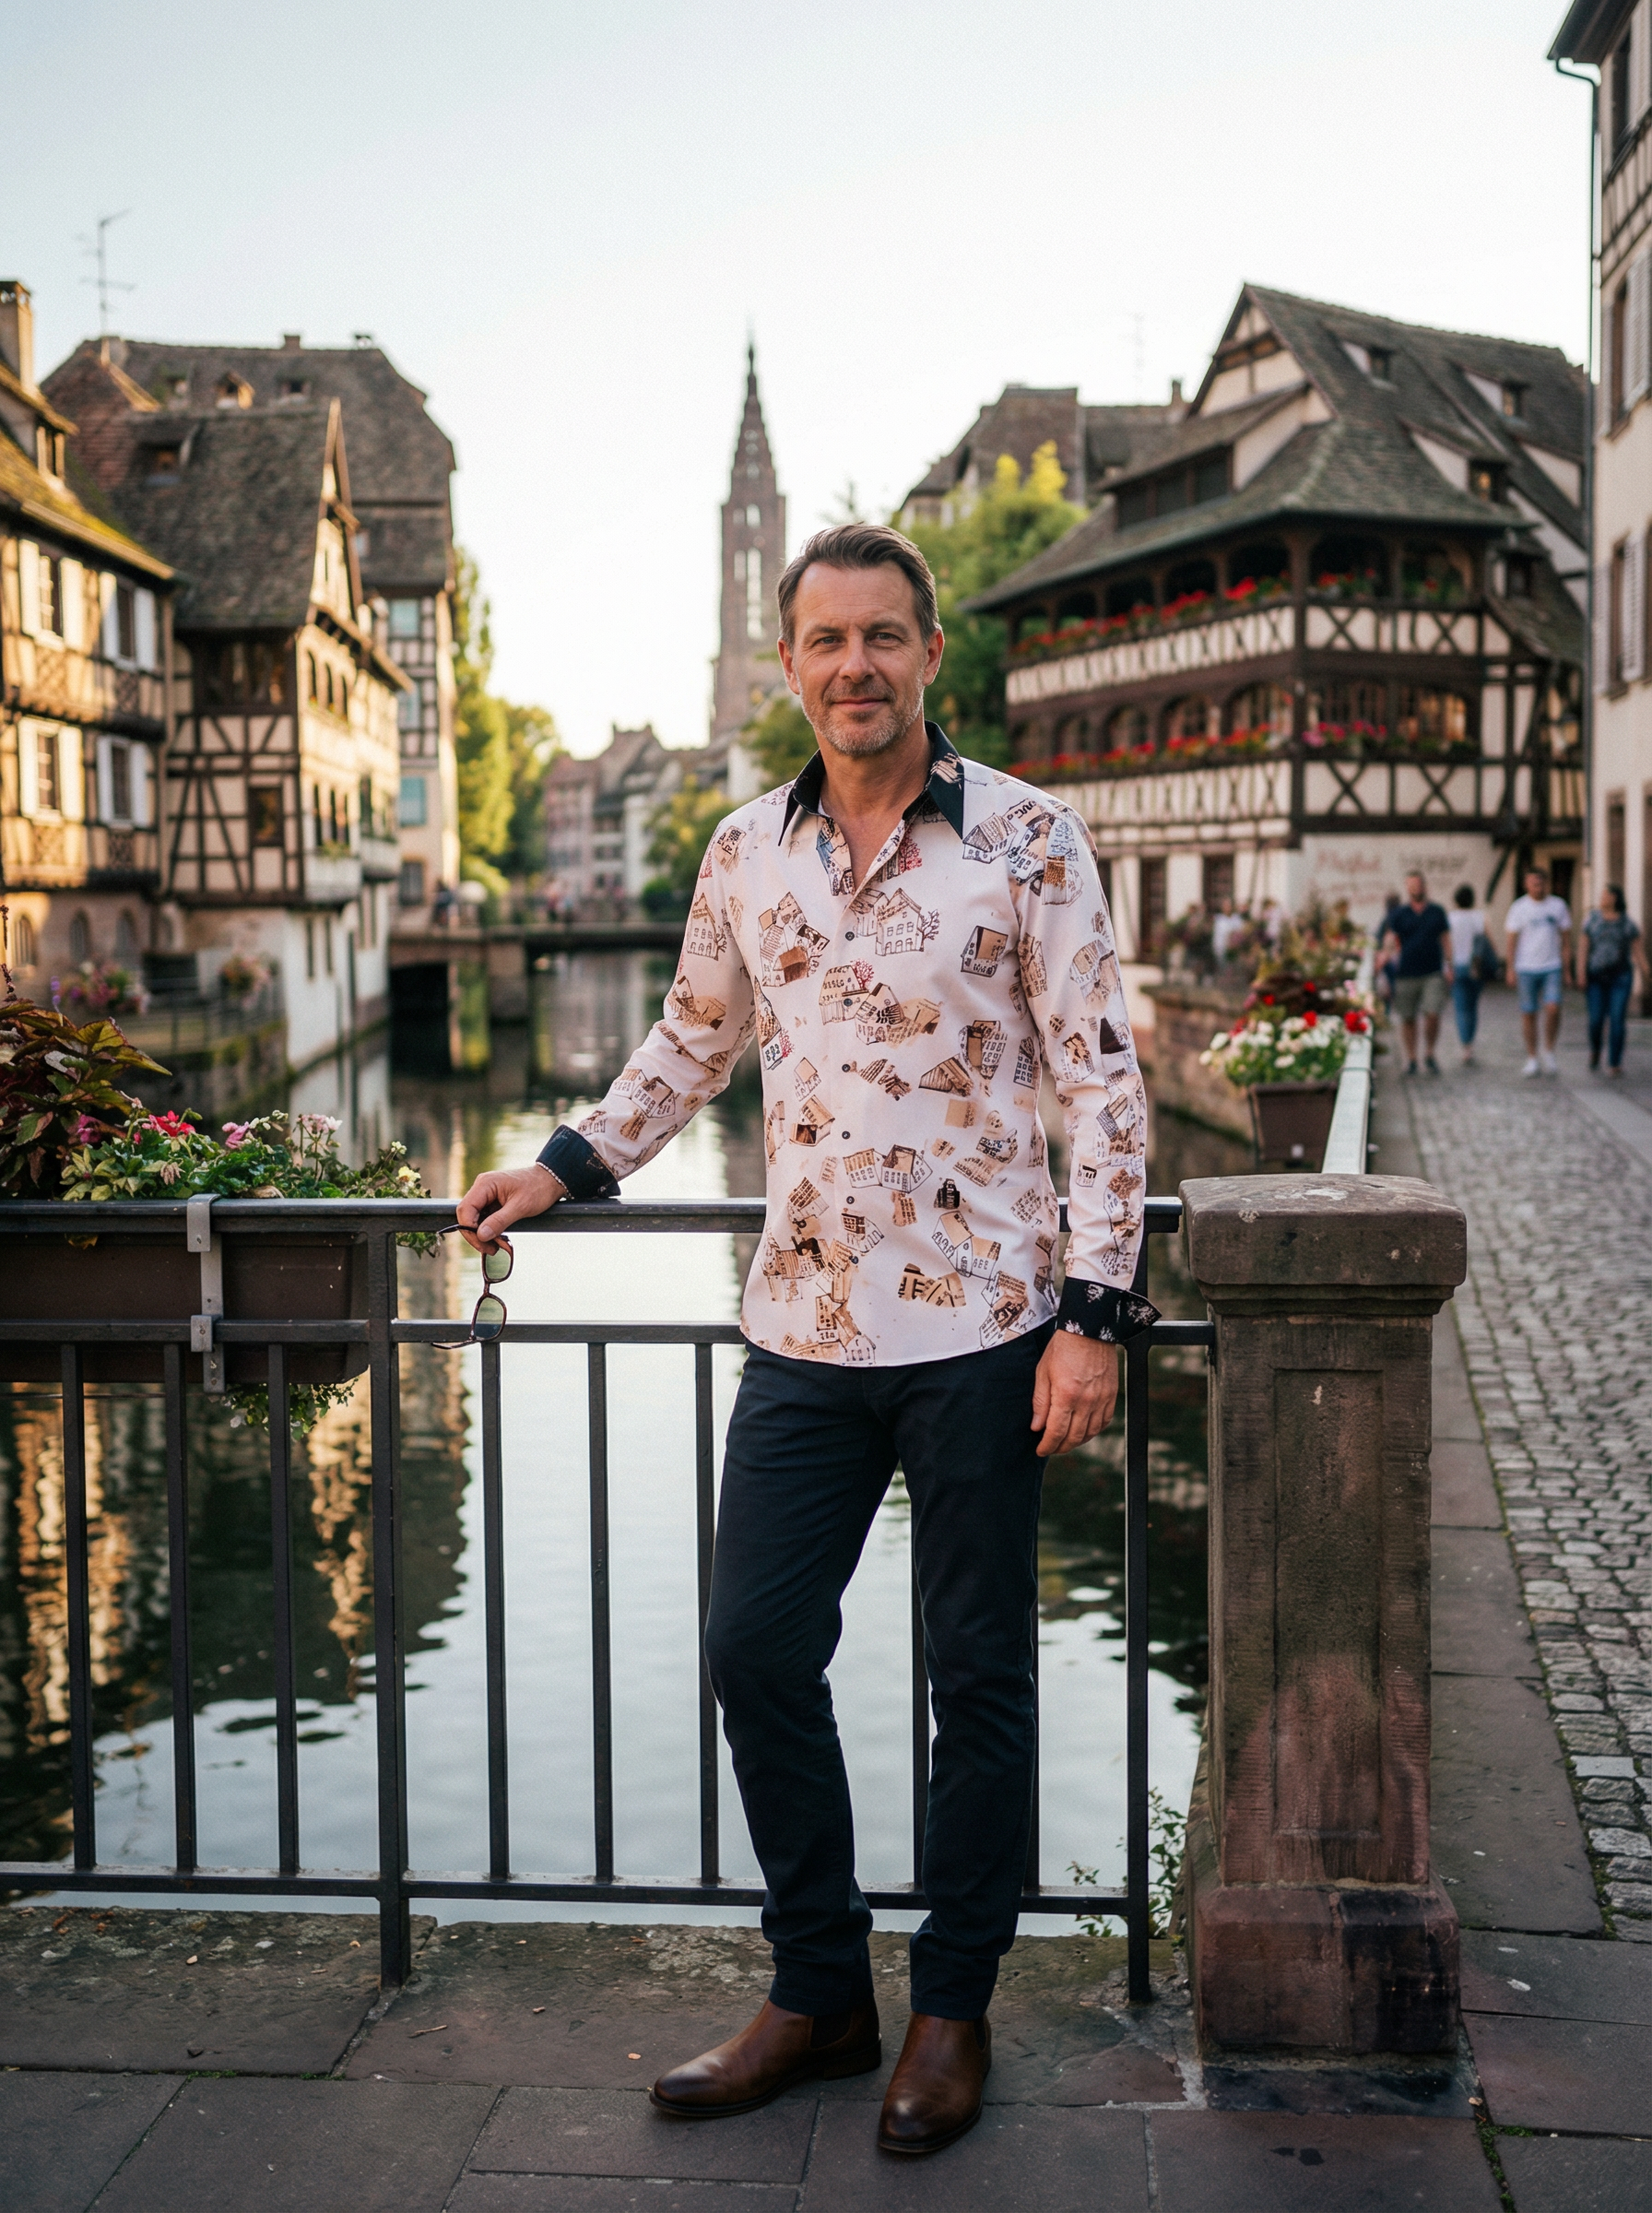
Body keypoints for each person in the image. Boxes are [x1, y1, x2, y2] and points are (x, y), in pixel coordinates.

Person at [454, 524, 1158, 2158]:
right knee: (753, 1648)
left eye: (883, 639)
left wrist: (1094, 1318)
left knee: (975, 1679)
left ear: (930, 661)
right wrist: (562, 1167)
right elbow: (689, 1045)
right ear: (788, 667)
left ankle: (953, 2011)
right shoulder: (740, 853)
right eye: (826, 641)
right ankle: (821, 1989)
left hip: (988, 1327)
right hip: (804, 1326)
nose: (856, 666)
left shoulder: (1030, 841)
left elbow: (1101, 1082)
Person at [1504, 867, 1573, 1077]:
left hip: (1551, 966)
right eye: (1534, 884)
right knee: (1529, 1013)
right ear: (1527, 885)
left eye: (1541, 883)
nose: (1538, 887)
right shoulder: (1519, 908)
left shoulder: (1558, 906)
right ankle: (1532, 1057)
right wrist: (1510, 968)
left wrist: (1567, 968)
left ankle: (1549, 1049)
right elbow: (1511, 940)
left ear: (1547, 884)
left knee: (1553, 1008)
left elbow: (1566, 940)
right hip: (1526, 967)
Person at [1381, 871, 1452, 1076]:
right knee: (1408, 1017)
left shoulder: (1437, 911)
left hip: (1433, 971)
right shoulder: (1399, 914)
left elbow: (1445, 938)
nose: (1415, 889)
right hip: (1406, 972)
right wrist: (1385, 960)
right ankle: (1411, 1057)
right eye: (1410, 885)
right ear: (1407, 888)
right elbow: (1389, 940)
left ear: (1424, 886)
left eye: (1418, 885)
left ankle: (1430, 1053)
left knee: (1433, 1013)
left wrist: (1449, 964)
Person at [1577, 882, 1647, 1076]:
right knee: (1596, 1020)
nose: (1602, 898)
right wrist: (1581, 972)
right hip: (1596, 977)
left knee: (1617, 1019)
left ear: (1614, 898)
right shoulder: (1591, 920)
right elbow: (1583, 948)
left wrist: (1647, 971)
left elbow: (1638, 952)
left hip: (1620, 977)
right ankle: (1595, 1050)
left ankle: (1615, 1061)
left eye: (1605, 895)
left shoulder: (1627, 923)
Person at [1447, 883, 1486, 1066]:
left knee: (1461, 1009)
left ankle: (1466, 1045)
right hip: (1474, 967)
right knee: (1472, 1007)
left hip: (1457, 965)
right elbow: (1481, 943)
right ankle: (1470, 1041)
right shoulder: (1478, 917)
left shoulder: (1450, 918)